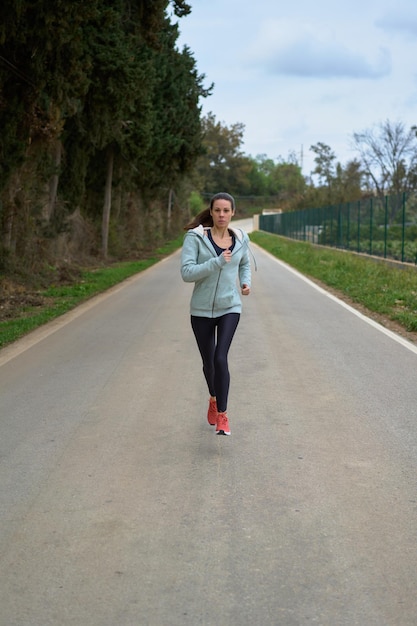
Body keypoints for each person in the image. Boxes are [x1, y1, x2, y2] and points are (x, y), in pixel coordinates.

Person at [180, 192, 251, 435]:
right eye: (217, 210)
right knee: (208, 363)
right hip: (200, 310)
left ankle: (223, 415)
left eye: (226, 210)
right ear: (211, 212)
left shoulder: (241, 238)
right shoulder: (195, 238)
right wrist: (217, 262)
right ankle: (213, 398)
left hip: (230, 307)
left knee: (221, 358)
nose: (222, 215)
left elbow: (243, 263)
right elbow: (187, 273)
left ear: (233, 213)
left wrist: (245, 282)